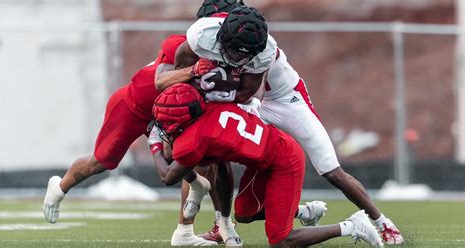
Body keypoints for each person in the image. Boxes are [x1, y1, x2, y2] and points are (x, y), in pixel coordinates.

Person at [156, 1, 404, 245]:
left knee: (331, 170)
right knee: (220, 159)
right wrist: (195, 82)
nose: (237, 58)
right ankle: (224, 223)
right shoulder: (202, 36)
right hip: (244, 100)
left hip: (283, 98)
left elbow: (248, 93)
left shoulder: (264, 48)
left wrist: (206, 92)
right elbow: (177, 81)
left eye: (244, 54)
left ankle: (382, 222)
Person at [148, 83, 383, 247]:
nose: (164, 125)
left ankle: (352, 226)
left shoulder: (194, 140)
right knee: (245, 213)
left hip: (284, 161)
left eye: (168, 120)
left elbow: (168, 176)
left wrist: (155, 144)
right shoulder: (211, 107)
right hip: (264, 157)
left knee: (280, 241)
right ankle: (305, 212)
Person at [42, 35, 224, 246]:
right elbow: (160, 80)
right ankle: (59, 187)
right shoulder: (181, 45)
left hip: (168, 112)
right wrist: (193, 71)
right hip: (133, 106)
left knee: (196, 156)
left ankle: (196, 228)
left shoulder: (224, 58)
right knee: (100, 163)